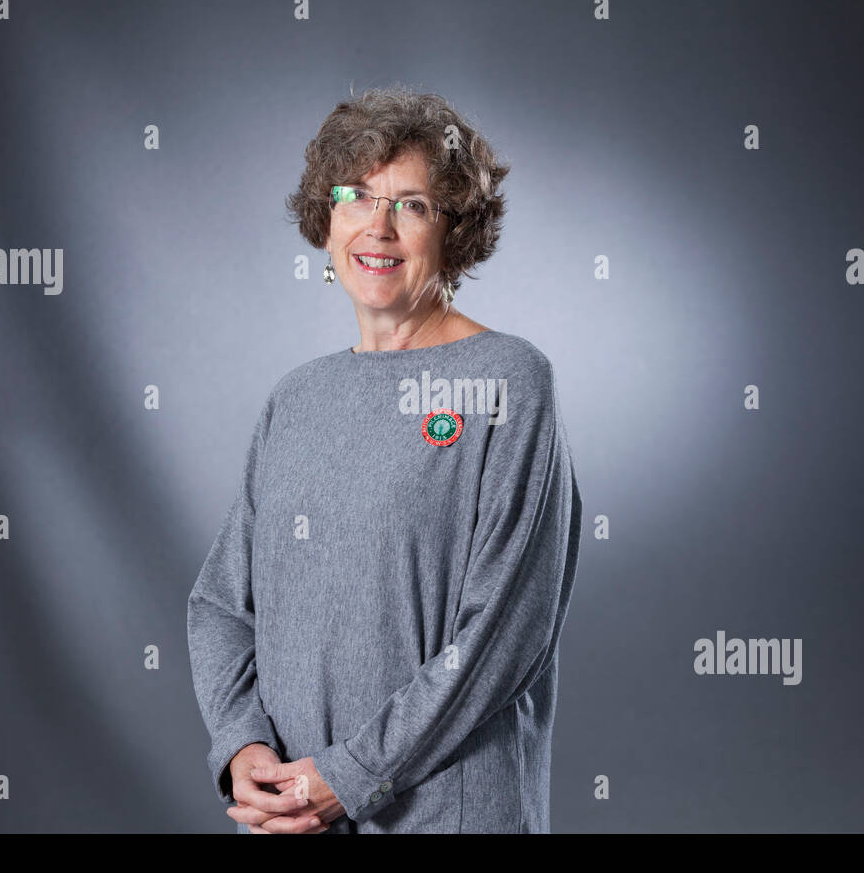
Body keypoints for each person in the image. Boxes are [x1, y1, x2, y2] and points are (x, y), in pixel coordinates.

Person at [186, 85, 583, 833]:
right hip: (299, 820)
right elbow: (219, 606)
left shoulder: (507, 383)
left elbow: (501, 636)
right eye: (357, 196)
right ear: (325, 217)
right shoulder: (297, 399)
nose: (379, 225)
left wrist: (351, 773)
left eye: (413, 204)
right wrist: (242, 747)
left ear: (454, 229)